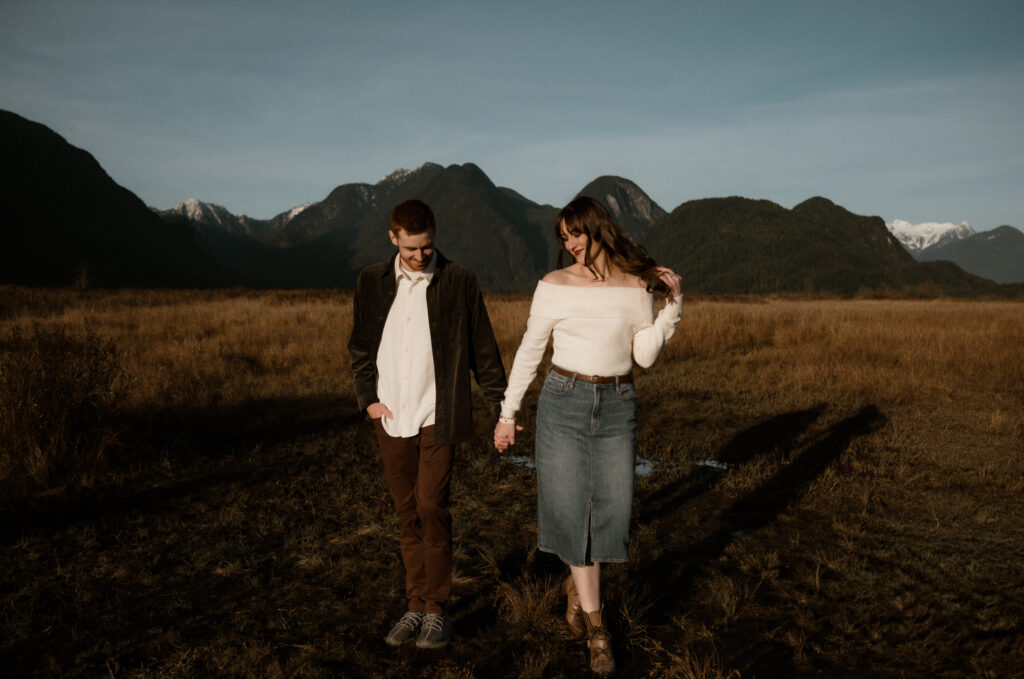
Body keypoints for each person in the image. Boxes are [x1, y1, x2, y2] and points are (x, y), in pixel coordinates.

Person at [493, 195, 682, 676]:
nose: (571, 244)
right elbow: (530, 351)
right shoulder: (554, 285)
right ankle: (599, 630)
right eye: (564, 237)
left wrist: (672, 309)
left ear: (599, 229)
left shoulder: (636, 285)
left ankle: (577, 591)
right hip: (563, 401)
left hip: (618, 404)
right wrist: (508, 413)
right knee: (573, 510)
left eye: (577, 233)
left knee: (612, 513)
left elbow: (643, 356)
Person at [349, 199, 507, 649]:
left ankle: (437, 611)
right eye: (413, 248)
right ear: (393, 237)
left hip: (439, 415)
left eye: (428, 246)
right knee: (406, 513)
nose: (421, 256)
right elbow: (360, 346)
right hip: (391, 416)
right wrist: (369, 401)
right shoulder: (371, 281)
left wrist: (502, 410)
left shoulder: (458, 280)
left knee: (431, 507)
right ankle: (414, 605)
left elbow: (484, 350)